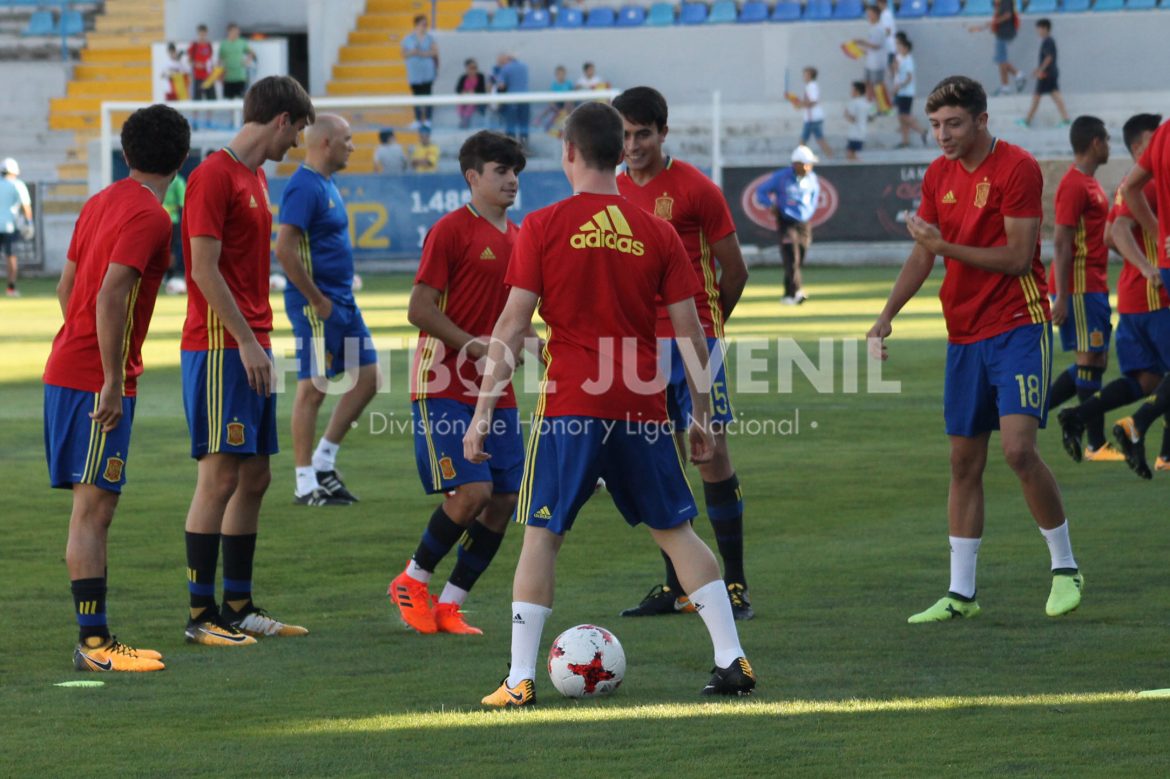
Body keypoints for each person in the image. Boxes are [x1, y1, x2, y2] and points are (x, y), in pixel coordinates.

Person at [468, 102, 755, 706]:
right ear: (619, 153)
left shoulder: (542, 226)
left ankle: (520, 680)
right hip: (642, 404)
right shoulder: (656, 230)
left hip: (572, 403)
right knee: (676, 530)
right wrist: (700, 413)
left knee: (542, 535)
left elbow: (512, 324)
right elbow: (691, 332)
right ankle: (733, 660)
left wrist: (482, 411)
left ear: (568, 152)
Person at [867, 75, 1083, 622]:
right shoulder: (939, 174)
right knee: (963, 461)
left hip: (1017, 325)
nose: (942, 134)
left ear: (982, 121)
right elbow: (924, 255)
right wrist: (887, 315)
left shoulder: (1017, 167)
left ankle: (1065, 567)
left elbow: (1016, 257)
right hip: (963, 333)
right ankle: (961, 593)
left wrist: (942, 246)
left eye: (953, 123)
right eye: (936, 124)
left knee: (1017, 450)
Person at [44, 103, 190, 672]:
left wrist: (81, 345)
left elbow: (68, 286)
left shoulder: (99, 201)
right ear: (181, 158)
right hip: (96, 381)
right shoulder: (153, 218)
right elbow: (109, 295)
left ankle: (95, 640)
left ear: (125, 153)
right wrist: (109, 376)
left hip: (68, 368)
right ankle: (96, 644)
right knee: (94, 510)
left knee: (91, 508)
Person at [180, 76, 315, 646]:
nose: (298, 144)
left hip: (253, 342)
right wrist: (247, 341)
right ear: (281, 120)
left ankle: (237, 604)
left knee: (255, 476)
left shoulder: (255, 177)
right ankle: (200, 614)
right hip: (222, 347)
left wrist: (259, 340)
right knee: (220, 476)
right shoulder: (212, 176)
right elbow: (203, 270)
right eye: (299, 130)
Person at [613, 86, 753, 621]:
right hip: (640, 345)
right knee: (659, 460)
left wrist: (707, 330)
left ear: (663, 133)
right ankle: (677, 588)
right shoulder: (613, 192)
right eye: (624, 135)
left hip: (693, 341)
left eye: (642, 134)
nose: (632, 145)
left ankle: (734, 584)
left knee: (712, 453)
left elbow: (734, 271)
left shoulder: (696, 188)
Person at [388, 131, 529, 636]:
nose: (512, 179)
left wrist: (538, 344)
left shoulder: (519, 238)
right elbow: (418, 308)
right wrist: (473, 346)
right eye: (500, 170)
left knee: (505, 500)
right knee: (472, 491)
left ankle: (449, 604)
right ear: (473, 177)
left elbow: (515, 319)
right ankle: (411, 579)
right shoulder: (450, 230)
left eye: (516, 171)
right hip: (442, 382)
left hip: (497, 386)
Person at [274, 114, 380, 507]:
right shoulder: (304, 186)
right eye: (347, 139)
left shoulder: (326, 184)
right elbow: (284, 248)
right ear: (324, 144)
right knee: (313, 387)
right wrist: (317, 299)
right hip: (316, 305)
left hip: (341, 301)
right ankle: (304, 483)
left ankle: (323, 461)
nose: (352, 146)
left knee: (368, 378)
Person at [1058, 114, 1170, 468]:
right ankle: (1147, 437)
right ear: (1140, 145)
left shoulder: (1126, 182)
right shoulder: (1148, 181)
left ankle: (1079, 417)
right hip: (1152, 295)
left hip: (1132, 293)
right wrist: (1150, 258)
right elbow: (1114, 231)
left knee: (1145, 380)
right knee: (1103, 365)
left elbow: (1109, 234)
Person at [1045, 116, 1117, 459]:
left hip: (1094, 284)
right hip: (1079, 286)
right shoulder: (1074, 185)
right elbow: (1061, 243)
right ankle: (1095, 444)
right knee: (1089, 358)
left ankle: (1037, 409)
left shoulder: (1087, 184)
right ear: (1094, 142)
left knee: (1096, 361)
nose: (1109, 146)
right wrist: (1061, 295)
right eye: (1106, 139)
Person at [1114, 116, 1170, 479]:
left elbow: (1130, 189)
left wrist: (1160, 233)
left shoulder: (1163, 134)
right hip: (1145, 291)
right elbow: (1114, 230)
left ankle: (1138, 425)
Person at [756, 146, 821, 305]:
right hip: (786, 221)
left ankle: (787, 295)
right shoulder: (781, 177)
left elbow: (814, 197)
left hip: (804, 223)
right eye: (805, 163)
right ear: (796, 164)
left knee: (800, 257)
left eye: (810, 164)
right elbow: (761, 191)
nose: (808, 167)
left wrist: (808, 213)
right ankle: (796, 292)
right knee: (791, 255)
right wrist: (770, 205)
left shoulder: (812, 179)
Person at [1017, 19, 1070, 129]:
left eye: (1039, 29)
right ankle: (1066, 119)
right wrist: (1038, 69)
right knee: (1055, 95)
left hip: (1046, 74)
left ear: (1045, 28)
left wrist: (1040, 70)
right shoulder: (1048, 41)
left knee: (1037, 97)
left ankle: (1027, 121)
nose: (1038, 31)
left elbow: (1049, 58)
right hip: (1050, 73)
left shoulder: (1048, 41)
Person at [969, 0, 1024, 96]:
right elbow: (996, 19)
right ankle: (1006, 86)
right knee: (1001, 60)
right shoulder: (998, 3)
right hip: (1001, 33)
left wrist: (994, 22)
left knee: (1001, 60)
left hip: (1005, 33)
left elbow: (1007, 15)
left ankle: (1017, 75)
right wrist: (984, 27)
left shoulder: (1006, 2)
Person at [0, 157, 31, 297]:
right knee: (11, 258)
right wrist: (29, 223)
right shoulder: (17, 184)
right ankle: (11, 288)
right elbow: (26, 206)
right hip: (10, 226)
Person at [402, 15, 438, 129]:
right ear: (417, 24)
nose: (425, 27)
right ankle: (418, 119)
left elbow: (434, 52)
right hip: (415, 72)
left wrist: (422, 54)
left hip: (427, 71)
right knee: (417, 96)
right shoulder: (408, 39)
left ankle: (427, 119)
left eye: (426, 24)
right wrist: (413, 52)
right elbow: (404, 54)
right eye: (423, 24)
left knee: (428, 94)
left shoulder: (429, 38)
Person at [893, 37, 928, 149]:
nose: (898, 48)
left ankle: (922, 130)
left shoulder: (908, 60)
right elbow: (896, 72)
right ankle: (905, 141)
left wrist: (900, 86)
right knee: (901, 117)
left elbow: (909, 78)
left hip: (906, 93)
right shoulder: (899, 58)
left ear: (906, 48)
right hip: (899, 92)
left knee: (904, 116)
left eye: (901, 46)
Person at [793, 67, 833, 160]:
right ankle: (829, 155)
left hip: (813, 118)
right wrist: (800, 103)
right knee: (816, 139)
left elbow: (813, 101)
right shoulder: (810, 86)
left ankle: (797, 159)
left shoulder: (812, 86)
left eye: (805, 75)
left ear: (810, 76)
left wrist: (801, 105)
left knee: (807, 140)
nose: (803, 77)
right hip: (811, 118)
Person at [855, 5, 888, 106]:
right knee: (867, 83)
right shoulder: (872, 27)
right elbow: (872, 46)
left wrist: (862, 42)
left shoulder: (880, 28)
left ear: (876, 14)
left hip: (877, 64)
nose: (868, 16)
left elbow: (877, 45)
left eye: (870, 14)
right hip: (870, 62)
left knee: (877, 86)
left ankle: (881, 106)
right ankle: (871, 104)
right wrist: (862, 50)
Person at [495, 52, 530, 146]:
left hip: (511, 100)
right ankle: (524, 146)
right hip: (525, 99)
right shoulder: (524, 66)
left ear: (507, 59)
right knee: (524, 124)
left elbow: (501, 85)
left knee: (511, 125)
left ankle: (511, 147)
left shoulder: (506, 68)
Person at [217, 23, 254, 100]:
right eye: (234, 31)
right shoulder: (224, 44)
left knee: (242, 100)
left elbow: (251, 52)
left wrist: (247, 61)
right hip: (228, 77)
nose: (236, 33)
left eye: (237, 31)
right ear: (229, 31)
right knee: (228, 101)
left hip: (240, 77)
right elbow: (220, 60)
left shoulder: (241, 42)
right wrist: (220, 75)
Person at [162, 171, 186, 285]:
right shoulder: (178, 181)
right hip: (172, 219)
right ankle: (168, 276)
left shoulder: (158, 177)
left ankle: (167, 275)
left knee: (166, 249)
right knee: (170, 249)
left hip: (160, 218)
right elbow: (182, 202)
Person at [455, 58, 487, 129]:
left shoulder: (480, 77)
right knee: (459, 104)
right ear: (467, 69)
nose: (473, 70)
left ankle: (465, 121)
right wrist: (463, 92)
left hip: (476, 99)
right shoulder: (463, 77)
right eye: (471, 68)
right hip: (465, 98)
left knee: (471, 104)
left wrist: (473, 91)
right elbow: (458, 89)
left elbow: (482, 90)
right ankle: (462, 119)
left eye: (475, 68)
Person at [188, 24, 215, 101]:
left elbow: (210, 60)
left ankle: (210, 113)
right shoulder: (194, 45)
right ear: (198, 34)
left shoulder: (209, 45)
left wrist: (212, 67)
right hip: (198, 77)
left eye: (204, 33)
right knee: (197, 100)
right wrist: (196, 64)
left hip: (209, 77)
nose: (202, 36)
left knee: (211, 100)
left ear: (206, 33)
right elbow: (189, 61)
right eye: (201, 34)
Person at [844, 81, 869, 160]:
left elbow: (853, 119)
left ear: (857, 91)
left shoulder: (854, 103)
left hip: (854, 133)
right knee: (853, 154)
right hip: (862, 132)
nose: (851, 92)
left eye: (852, 90)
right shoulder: (865, 102)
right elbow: (871, 116)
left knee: (850, 155)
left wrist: (846, 114)